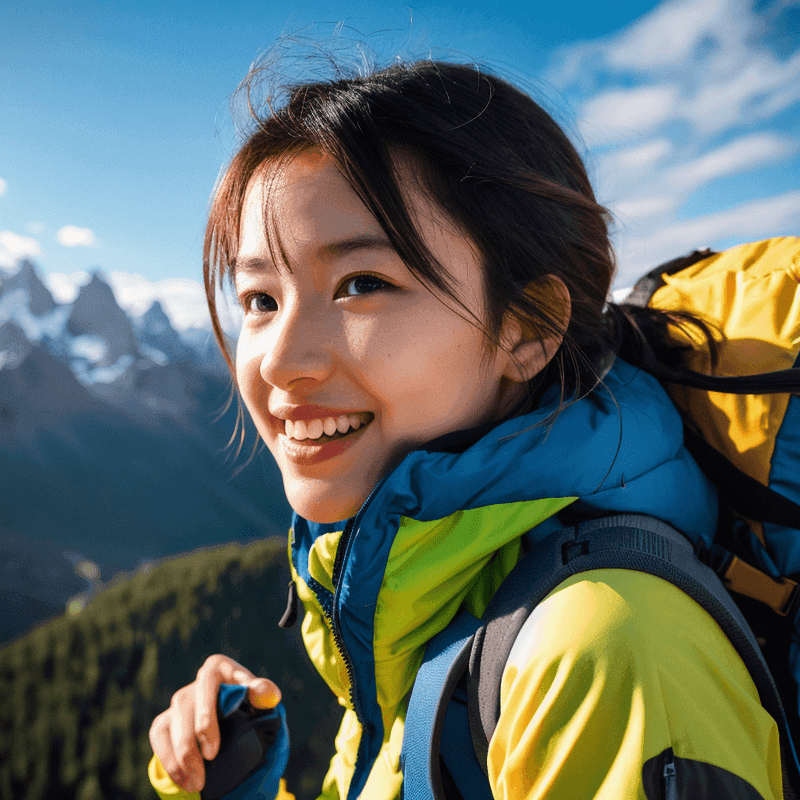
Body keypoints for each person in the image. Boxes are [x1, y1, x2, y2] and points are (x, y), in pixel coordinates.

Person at [148, 59, 783, 799]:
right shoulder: (429, 583)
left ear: (528, 327)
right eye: (259, 297)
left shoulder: (597, 651)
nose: (281, 360)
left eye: (362, 285)